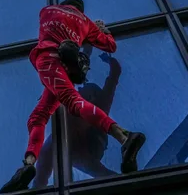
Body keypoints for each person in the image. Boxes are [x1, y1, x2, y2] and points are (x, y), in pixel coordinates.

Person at [0, 0, 145, 193]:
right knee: (40, 115)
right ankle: (28, 168)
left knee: (68, 103)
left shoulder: (47, 10)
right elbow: (111, 46)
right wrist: (101, 30)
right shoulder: (86, 22)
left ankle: (125, 137)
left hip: (49, 59)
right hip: (65, 68)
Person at [33, 50, 122, 186]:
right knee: (46, 159)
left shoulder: (98, 105)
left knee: (96, 170)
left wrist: (110, 62)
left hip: (87, 143)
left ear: (91, 95)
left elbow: (113, 78)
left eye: (84, 89)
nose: (80, 90)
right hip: (76, 143)